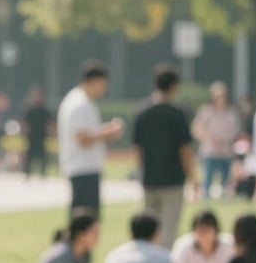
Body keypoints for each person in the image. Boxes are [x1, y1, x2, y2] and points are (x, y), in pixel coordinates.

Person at [133, 65, 195, 250]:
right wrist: (193, 178)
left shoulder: (142, 112)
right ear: (174, 86)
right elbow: (185, 150)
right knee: (168, 231)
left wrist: (141, 172)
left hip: (150, 178)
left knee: (148, 230)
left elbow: (138, 149)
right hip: (173, 180)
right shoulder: (177, 114)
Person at [57, 60, 124, 217]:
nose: (104, 88)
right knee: (84, 222)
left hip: (87, 168)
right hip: (82, 169)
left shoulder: (85, 102)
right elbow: (83, 139)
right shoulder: (78, 103)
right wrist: (108, 132)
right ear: (95, 81)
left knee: (89, 221)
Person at [191, 82, 240, 199]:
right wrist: (210, 139)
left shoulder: (230, 113)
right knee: (207, 179)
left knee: (225, 180)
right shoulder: (206, 112)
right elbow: (196, 129)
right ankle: (206, 198)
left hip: (226, 151)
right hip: (210, 151)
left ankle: (223, 198)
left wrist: (225, 140)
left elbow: (235, 131)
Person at [22, 87, 51, 179]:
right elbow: (25, 122)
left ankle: (43, 173)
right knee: (29, 155)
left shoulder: (44, 110)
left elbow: (49, 123)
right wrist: (24, 132)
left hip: (42, 135)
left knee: (42, 155)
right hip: (31, 136)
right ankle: (27, 173)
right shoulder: (30, 110)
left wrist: (50, 132)